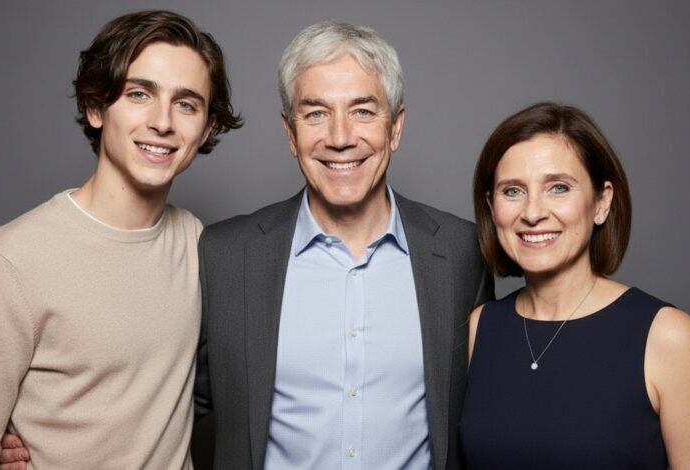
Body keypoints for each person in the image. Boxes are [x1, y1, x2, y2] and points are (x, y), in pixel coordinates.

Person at [0, 10, 242, 469]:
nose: (162, 122)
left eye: (186, 103)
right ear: (96, 107)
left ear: (205, 129)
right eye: (139, 94)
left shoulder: (200, 244)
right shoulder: (10, 262)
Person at [195, 22, 493, 469]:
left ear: (395, 127)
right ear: (290, 132)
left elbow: (490, 415)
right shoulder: (223, 256)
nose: (339, 137)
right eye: (315, 113)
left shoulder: (461, 252)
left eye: (363, 111)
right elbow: (165, 411)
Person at [460, 102, 690, 468]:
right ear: (492, 208)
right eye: (512, 191)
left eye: (558, 187)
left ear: (602, 203)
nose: (533, 212)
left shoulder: (667, 337)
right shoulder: (479, 328)